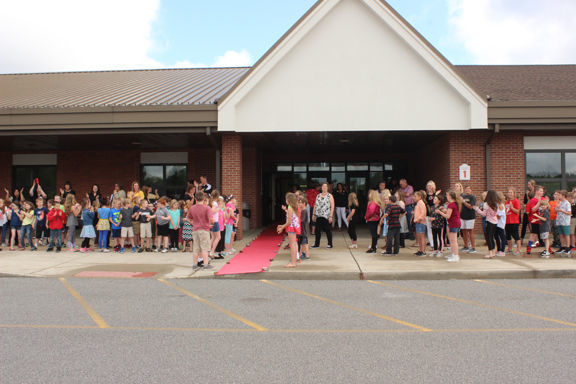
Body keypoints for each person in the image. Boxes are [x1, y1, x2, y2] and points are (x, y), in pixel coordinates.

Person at [187, 192, 214, 270]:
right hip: (204, 229)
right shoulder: (207, 208)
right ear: (204, 199)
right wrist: (210, 223)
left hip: (195, 229)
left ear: (195, 199)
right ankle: (205, 264)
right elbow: (211, 219)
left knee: (196, 247)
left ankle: (194, 264)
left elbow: (188, 218)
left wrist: (193, 223)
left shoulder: (192, 208)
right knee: (204, 247)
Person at [436, 191, 461, 262]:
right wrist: (444, 210)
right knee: (452, 240)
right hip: (454, 223)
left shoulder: (451, 204)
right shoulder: (453, 204)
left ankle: (456, 256)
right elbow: (450, 212)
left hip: (453, 223)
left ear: (450, 196)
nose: (446, 196)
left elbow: (448, 216)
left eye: (447, 195)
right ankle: (454, 254)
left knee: (453, 241)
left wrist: (440, 212)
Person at [277, 192, 300, 268]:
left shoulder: (290, 208)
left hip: (291, 227)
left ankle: (293, 262)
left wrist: (282, 227)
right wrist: (285, 210)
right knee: (294, 244)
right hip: (294, 227)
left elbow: (289, 221)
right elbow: (291, 216)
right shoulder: (293, 207)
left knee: (292, 245)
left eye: (286, 199)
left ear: (288, 200)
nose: (285, 200)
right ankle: (295, 261)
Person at [475, 190, 499, 259]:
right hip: (495, 222)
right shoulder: (495, 204)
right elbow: (494, 214)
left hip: (489, 222)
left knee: (488, 238)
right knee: (491, 237)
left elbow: (483, 214)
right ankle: (493, 252)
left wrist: (477, 209)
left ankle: (490, 253)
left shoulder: (486, 204)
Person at [312, 182, 335, 249]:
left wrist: (331, 216)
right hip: (318, 215)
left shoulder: (330, 196)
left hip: (326, 216)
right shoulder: (318, 195)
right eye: (323, 186)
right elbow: (315, 205)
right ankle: (316, 244)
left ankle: (330, 244)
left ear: (328, 188)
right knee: (317, 231)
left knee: (328, 230)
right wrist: (313, 214)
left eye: (325, 186)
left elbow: (332, 206)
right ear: (321, 187)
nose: (324, 187)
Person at [525, 185, 544, 255]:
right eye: (541, 191)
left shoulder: (543, 199)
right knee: (533, 234)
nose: (542, 192)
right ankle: (529, 247)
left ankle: (548, 248)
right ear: (536, 192)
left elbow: (547, 207)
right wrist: (539, 202)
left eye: (542, 191)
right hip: (534, 220)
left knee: (544, 235)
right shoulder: (533, 200)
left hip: (542, 220)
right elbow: (533, 209)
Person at [460, 186, 477, 254]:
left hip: (470, 217)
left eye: (469, 189)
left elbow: (470, 207)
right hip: (462, 217)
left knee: (470, 232)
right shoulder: (462, 196)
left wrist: (463, 202)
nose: (467, 190)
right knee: (464, 232)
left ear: (471, 190)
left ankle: (473, 247)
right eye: (466, 189)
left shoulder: (472, 197)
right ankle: (466, 246)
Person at [505, 188, 522, 255]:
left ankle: (518, 249)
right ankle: (510, 248)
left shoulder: (516, 201)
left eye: (511, 192)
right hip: (507, 221)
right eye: (509, 192)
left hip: (514, 221)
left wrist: (512, 208)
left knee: (516, 236)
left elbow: (517, 211)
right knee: (508, 236)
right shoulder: (506, 202)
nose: (510, 194)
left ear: (514, 194)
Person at [554, 190, 572, 255]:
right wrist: (556, 209)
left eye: (559, 195)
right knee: (561, 235)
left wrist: (561, 210)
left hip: (565, 222)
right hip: (559, 221)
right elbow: (555, 211)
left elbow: (569, 213)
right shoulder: (560, 202)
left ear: (563, 196)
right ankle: (562, 246)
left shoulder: (567, 203)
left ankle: (568, 248)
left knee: (566, 235)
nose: (558, 196)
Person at [298, 196, 310, 260]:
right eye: (298, 203)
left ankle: (307, 255)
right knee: (302, 243)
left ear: (304, 203)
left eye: (300, 203)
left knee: (304, 243)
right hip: (303, 229)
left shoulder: (304, 211)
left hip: (303, 230)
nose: (299, 204)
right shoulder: (303, 210)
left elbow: (301, 220)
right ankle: (300, 254)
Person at [495, 192, 507, 257]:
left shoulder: (501, 205)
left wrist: (493, 216)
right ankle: (499, 249)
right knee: (496, 237)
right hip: (496, 224)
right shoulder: (497, 205)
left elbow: (499, 215)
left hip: (500, 224)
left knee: (502, 237)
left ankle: (502, 250)